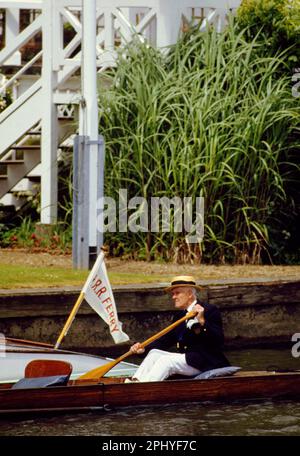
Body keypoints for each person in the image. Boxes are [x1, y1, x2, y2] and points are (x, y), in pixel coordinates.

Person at [126, 275, 230, 382]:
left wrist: (202, 322)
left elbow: (219, 341)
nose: (173, 297)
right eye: (173, 294)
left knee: (166, 361)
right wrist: (143, 349)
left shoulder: (209, 310)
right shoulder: (179, 316)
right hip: (188, 361)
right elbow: (165, 340)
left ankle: (144, 389)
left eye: (177, 293)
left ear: (189, 294)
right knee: (154, 354)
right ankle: (135, 381)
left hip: (206, 362)